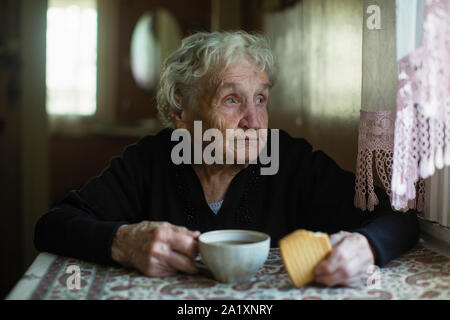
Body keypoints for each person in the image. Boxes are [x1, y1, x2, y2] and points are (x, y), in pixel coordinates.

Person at [34, 31, 419, 287]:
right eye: (232, 99)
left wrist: (365, 245)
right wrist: (124, 241)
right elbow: (54, 224)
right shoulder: (150, 162)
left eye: (261, 99)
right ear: (180, 111)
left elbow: (397, 214)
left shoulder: (289, 159)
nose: (254, 122)